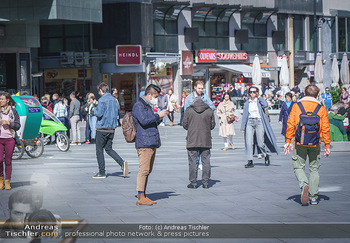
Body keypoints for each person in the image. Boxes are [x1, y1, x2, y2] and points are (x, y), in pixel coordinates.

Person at [285, 85, 331, 205]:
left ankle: (304, 184)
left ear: (304, 93)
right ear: (317, 95)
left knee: (298, 166)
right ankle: (314, 197)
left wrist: (288, 141)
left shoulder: (297, 106)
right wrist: (327, 146)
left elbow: (290, 124)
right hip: (315, 142)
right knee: (314, 169)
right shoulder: (321, 108)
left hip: (300, 141)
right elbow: (325, 128)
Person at [132, 84, 169, 205]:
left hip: (151, 141)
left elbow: (151, 123)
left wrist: (158, 118)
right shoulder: (139, 105)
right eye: (155, 96)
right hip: (144, 142)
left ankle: (143, 195)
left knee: (148, 170)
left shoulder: (147, 105)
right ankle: (140, 196)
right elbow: (143, 121)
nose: (156, 99)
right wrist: (158, 115)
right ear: (149, 95)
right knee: (144, 170)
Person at [93, 83, 128, 179]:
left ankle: (102, 172)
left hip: (102, 128)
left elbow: (99, 113)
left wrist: (93, 110)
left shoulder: (101, 100)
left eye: (99, 91)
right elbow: (117, 113)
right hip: (111, 129)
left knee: (99, 150)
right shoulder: (114, 100)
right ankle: (122, 163)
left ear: (101, 90)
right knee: (108, 149)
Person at [241, 86, 279, 168]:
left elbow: (265, 105)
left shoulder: (259, 101)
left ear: (257, 93)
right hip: (249, 122)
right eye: (250, 92)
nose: (252, 93)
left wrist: (259, 97)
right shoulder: (247, 103)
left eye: (254, 92)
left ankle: (266, 155)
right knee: (249, 142)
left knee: (260, 142)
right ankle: (250, 161)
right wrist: (242, 127)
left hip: (259, 122)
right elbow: (244, 115)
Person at [183, 97, 215, 189]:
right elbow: (212, 125)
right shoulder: (209, 110)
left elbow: (185, 125)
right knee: (206, 161)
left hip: (192, 139)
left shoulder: (189, 110)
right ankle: (205, 182)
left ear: (194, 102)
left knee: (193, 161)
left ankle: (193, 183)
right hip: (205, 139)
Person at [184, 80, 215, 170]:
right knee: (194, 144)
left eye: (202, 88)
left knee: (203, 144)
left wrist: (204, 108)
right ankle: (196, 163)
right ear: (195, 87)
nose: (201, 90)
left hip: (203, 124)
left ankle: (201, 163)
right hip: (193, 124)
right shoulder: (189, 98)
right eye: (199, 88)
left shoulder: (205, 97)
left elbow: (212, 107)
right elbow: (186, 111)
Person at [0, 92, 21, 190]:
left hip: (10, 139)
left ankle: (7, 181)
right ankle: (1, 180)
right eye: (0, 99)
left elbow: (17, 126)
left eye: (2, 99)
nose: (0, 101)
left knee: (8, 161)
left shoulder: (13, 112)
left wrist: (8, 122)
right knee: (0, 160)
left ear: (7, 100)